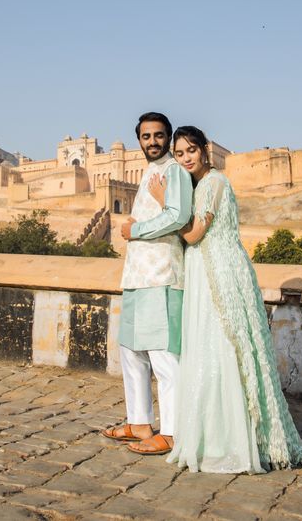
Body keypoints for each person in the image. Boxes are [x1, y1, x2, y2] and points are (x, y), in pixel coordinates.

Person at [151, 125, 302, 473]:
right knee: (211, 350)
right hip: (205, 270)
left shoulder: (214, 183)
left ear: (205, 150)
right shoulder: (200, 184)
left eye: (191, 150)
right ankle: (215, 435)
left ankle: (229, 441)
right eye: (179, 153)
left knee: (222, 349)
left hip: (218, 273)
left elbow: (194, 234)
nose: (185, 158)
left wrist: (166, 205)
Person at [102, 112, 193, 456]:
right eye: (145, 136)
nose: (152, 141)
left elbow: (178, 217)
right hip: (138, 276)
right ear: (138, 140)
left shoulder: (175, 172)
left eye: (158, 136)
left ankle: (172, 432)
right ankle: (139, 421)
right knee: (131, 350)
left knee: (164, 356)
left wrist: (134, 230)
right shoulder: (149, 173)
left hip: (162, 276)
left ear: (168, 138)